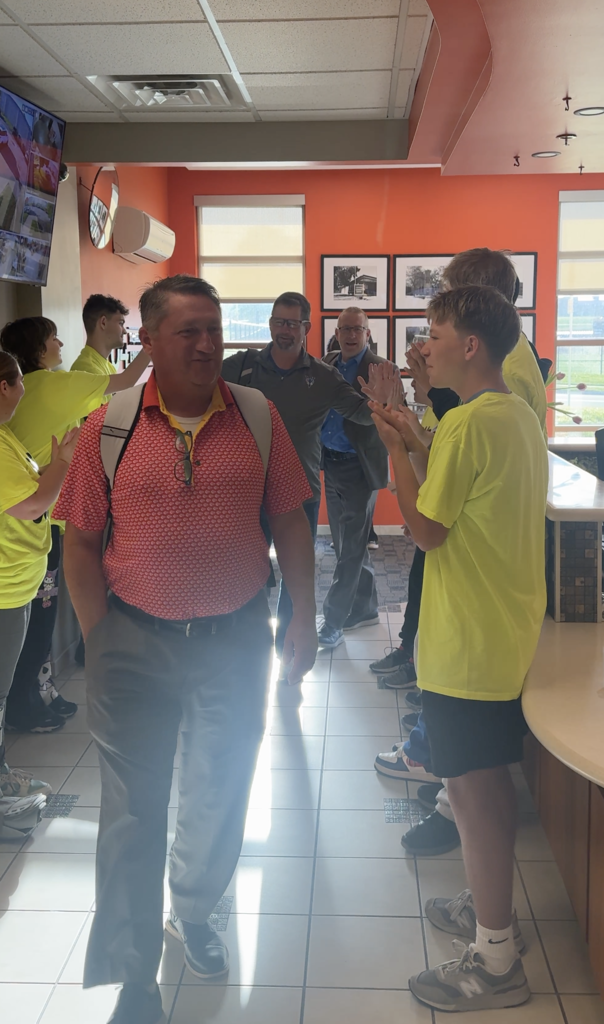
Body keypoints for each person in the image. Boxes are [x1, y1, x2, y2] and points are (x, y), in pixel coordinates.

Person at [54, 274, 318, 1024]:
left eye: (215, 329)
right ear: (151, 342)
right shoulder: (109, 428)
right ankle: (136, 980)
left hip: (235, 639)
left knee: (220, 788)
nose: (208, 345)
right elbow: (79, 542)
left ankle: (195, 910)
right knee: (134, 811)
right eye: (189, 332)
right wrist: (98, 635)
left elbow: (293, 523)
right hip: (133, 641)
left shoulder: (258, 417)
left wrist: (302, 616)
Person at [371, 285, 547, 1013]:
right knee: (486, 790)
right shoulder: (510, 414)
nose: (425, 345)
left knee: (473, 797)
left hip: (466, 644)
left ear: (469, 345)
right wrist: (415, 433)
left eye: (434, 332)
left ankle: (496, 958)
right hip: (498, 634)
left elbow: (426, 528)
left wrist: (393, 452)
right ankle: (488, 908)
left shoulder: (474, 423)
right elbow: (464, 482)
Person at [221, 292, 393, 655]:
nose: (284, 330)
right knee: (246, 572)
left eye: (292, 323)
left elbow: (360, 414)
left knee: (297, 578)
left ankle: (289, 643)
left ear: (307, 328)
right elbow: (199, 387)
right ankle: (245, 643)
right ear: (269, 323)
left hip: (301, 495)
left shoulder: (323, 376)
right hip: (247, 494)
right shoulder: (242, 367)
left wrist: (381, 402)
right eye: (278, 321)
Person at [1, 316, 150, 733]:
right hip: (23, 538)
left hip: (26, 532)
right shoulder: (51, 385)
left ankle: (32, 695)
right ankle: (24, 704)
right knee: (36, 622)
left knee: (34, 624)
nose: (60, 342)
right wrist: (150, 350)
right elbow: (124, 384)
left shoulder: (28, 402)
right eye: (52, 338)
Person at [0, 351, 80, 828]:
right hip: (5, 588)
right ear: (4, 387)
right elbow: (32, 504)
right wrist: (63, 462)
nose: (26, 391)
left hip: (17, 582)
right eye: (19, 383)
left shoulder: (8, 436)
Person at [319, 307, 389, 646]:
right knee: (349, 543)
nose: (350, 335)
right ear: (336, 331)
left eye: (357, 329)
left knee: (349, 549)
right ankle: (365, 608)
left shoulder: (382, 369)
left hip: (359, 467)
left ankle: (333, 620)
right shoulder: (327, 362)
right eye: (344, 328)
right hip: (328, 463)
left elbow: (389, 417)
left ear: (367, 333)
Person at [71, 293, 128, 379]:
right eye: (120, 323)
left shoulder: (109, 366)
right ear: (103, 323)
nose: (125, 331)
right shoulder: (87, 369)